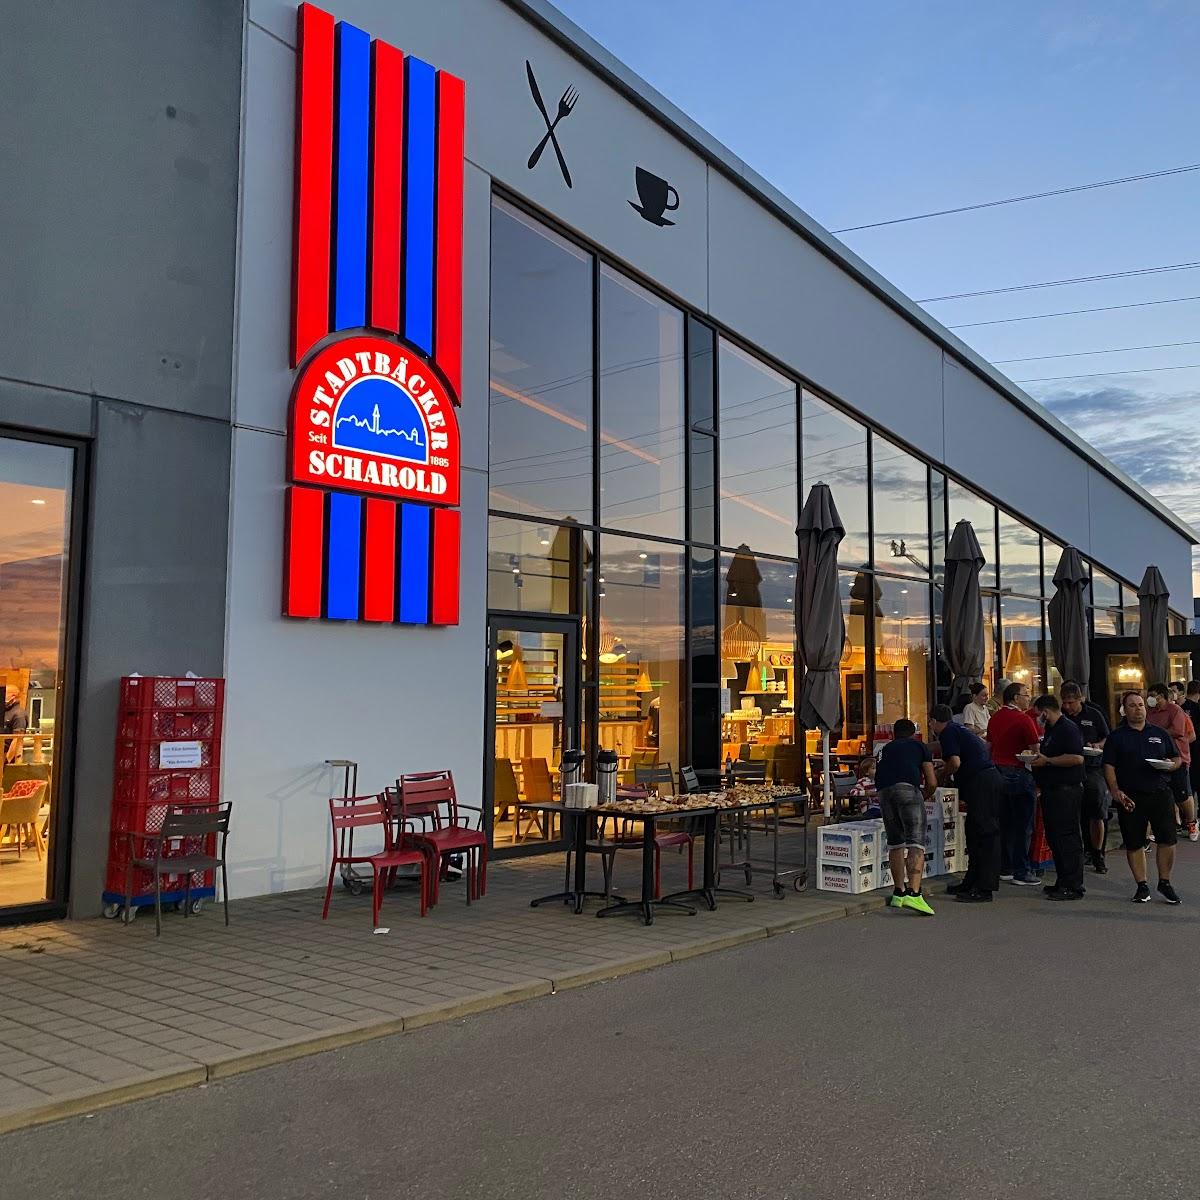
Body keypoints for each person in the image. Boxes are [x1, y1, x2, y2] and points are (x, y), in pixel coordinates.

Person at [1103, 690, 1183, 904]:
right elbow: (1109, 766)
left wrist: (1171, 765)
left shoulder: (1159, 733)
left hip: (1160, 792)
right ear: (1124, 710)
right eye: (1132, 705)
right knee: (1134, 842)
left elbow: (1176, 758)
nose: (1138, 709)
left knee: (1167, 839)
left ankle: (1165, 882)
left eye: (1140, 705)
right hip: (1130, 795)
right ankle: (1142, 885)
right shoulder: (1116, 736)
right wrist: (1115, 791)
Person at [930, 704, 1003, 903]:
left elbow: (955, 762)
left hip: (981, 782)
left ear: (934, 722)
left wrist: (941, 774)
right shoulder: (958, 729)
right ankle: (972, 880)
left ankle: (984, 887)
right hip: (986, 779)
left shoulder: (947, 733)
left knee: (984, 833)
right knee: (973, 831)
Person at [875, 719, 939, 915]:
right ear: (914, 734)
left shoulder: (885, 749)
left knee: (895, 843)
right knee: (916, 842)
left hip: (884, 792)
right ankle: (914, 893)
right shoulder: (919, 746)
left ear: (894, 734)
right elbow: (932, 780)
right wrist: (924, 796)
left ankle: (899, 892)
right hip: (908, 790)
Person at [987, 680, 1042, 886]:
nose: (1028, 697)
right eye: (1026, 694)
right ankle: (1022, 870)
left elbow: (989, 746)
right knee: (1024, 824)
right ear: (1016, 698)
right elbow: (1035, 749)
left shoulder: (994, 718)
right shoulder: (1024, 719)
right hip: (1019, 771)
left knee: (1004, 822)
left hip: (997, 771)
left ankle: (1005, 867)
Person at [1031, 695, 1086, 900]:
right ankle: (1063, 879)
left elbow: (1076, 757)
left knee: (1067, 836)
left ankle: (1073, 884)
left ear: (1045, 711)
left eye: (1038, 714)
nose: (1038, 718)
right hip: (1052, 789)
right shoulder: (1052, 730)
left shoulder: (1067, 729)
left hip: (1067, 789)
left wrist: (1048, 761)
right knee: (1055, 836)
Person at [1059, 681, 1111, 872]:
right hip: (1069, 767)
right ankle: (1078, 852)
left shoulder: (1093, 714)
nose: (1067, 706)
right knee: (1072, 811)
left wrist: (1098, 745)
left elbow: (1107, 737)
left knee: (1097, 809)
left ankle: (1098, 853)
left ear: (1080, 699)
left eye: (1071, 702)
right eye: (1064, 702)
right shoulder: (1062, 717)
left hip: (1092, 767)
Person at [1145, 682, 1197, 842]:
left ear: (1163, 697)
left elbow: (1177, 731)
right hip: (1156, 759)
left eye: (1154, 696)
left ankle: (1192, 824)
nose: (1151, 699)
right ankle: (1161, 826)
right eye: (1150, 696)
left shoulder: (1175, 710)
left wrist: (1155, 732)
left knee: (1182, 795)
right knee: (1158, 793)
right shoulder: (1150, 712)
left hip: (1177, 757)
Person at [1182, 681, 1200, 815]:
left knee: (1187, 787)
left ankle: (1186, 817)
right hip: (1195, 750)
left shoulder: (1179, 708)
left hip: (1183, 753)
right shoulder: (1197, 708)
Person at [3, 688, 27, 765]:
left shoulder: (19, 714)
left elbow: (17, 739)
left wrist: (7, 760)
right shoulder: (5, 712)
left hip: (5, 756)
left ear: (12, 696)